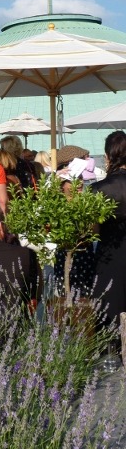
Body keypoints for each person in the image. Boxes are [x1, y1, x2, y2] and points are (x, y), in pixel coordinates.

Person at [90, 130, 126, 333]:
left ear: (108, 156)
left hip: (110, 256)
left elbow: (93, 230)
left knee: (109, 318)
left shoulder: (98, 189)